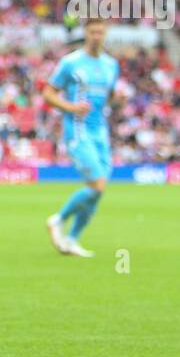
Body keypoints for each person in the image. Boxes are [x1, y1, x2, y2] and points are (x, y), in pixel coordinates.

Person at [43, 17, 120, 258]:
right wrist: (70, 107)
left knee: (99, 189)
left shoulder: (111, 65)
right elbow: (48, 93)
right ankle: (58, 219)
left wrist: (119, 100)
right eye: (93, 32)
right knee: (97, 184)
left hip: (100, 131)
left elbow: (109, 97)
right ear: (86, 33)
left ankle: (72, 239)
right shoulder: (71, 62)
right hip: (77, 131)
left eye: (101, 32)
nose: (97, 36)